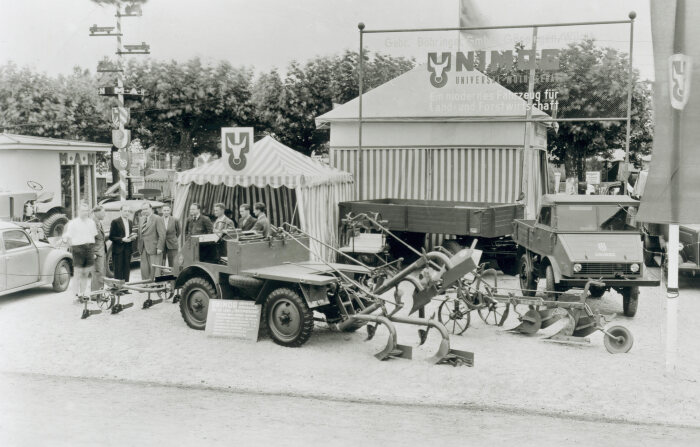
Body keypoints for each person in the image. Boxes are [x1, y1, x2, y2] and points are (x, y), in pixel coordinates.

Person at [63, 202, 98, 300]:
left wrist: (93, 251)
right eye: (83, 210)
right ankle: (75, 295)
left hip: (89, 248)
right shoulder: (73, 223)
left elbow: (93, 236)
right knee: (78, 273)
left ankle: (82, 294)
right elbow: (68, 237)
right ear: (78, 211)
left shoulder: (91, 222)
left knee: (86, 273)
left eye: (86, 211)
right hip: (78, 249)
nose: (85, 213)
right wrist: (73, 247)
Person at [137, 202, 166, 281]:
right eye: (143, 209)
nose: (144, 211)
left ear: (151, 209)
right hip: (143, 248)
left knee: (155, 268)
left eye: (146, 209)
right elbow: (140, 234)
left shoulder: (157, 218)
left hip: (154, 248)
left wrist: (160, 247)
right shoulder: (141, 219)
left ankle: (156, 285)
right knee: (144, 268)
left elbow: (162, 234)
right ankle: (146, 283)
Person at [109, 204, 135, 282]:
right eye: (125, 211)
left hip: (128, 248)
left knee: (127, 268)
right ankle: (119, 289)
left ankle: (126, 287)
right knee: (118, 269)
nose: (127, 213)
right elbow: (111, 237)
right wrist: (122, 239)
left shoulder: (130, 222)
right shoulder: (115, 222)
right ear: (120, 211)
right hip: (118, 249)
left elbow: (128, 234)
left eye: (128, 211)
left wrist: (132, 237)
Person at [91, 205, 107, 291]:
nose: (105, 215)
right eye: (103, 213)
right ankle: (96, 294)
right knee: (97, 273)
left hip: (100, 252)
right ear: (97, 213)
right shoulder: (92, 223)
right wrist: (92, 253)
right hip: (96, 253)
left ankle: (99, 293)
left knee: (101, 273)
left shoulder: (98, 222)